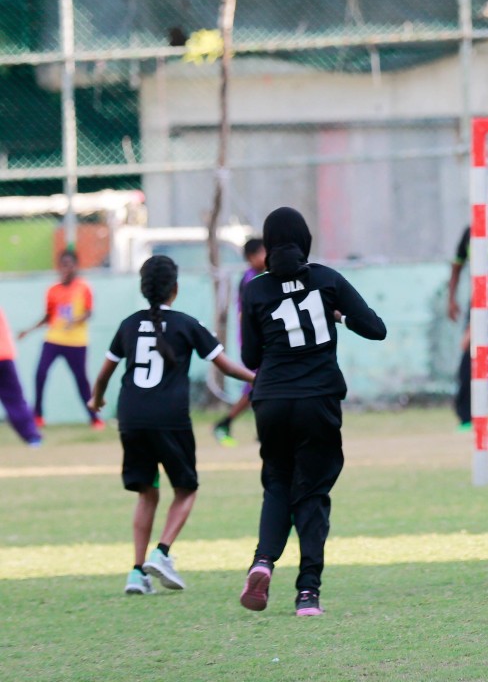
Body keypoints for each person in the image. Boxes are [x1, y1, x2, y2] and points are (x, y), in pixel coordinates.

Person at [237, 207, 387, 617]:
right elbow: (376, 328)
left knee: (278, 483)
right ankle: (307, 593)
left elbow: (250, 356)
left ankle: (263, 561)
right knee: (313, 494)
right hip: (317, 400)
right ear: (306, 241)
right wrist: (337, 314)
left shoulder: (255, 290)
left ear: (267, 244)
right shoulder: (326, 280)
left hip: (270, 400)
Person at [87, 255, 255, 595]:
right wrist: (261, 378)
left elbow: (105, 373)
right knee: (186, 488)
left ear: (143, 288)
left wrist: (97, 400)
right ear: (174, 289)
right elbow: (227, 367)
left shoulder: (129, 324)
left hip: (131, 417)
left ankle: (136, 573)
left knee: (147, 493)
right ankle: (161, 553)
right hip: (169, 420)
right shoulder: (187, 324)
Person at [19, 249, 100, 430]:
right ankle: (38, 415)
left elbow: (88, 312)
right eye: (62, 264)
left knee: (81, 380)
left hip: (76, 341)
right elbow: (48, 316)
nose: (65, 268)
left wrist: (75, 321)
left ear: (75, 266)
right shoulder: (52, 290)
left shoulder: (83, 287)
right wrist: (28, 330)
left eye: (69, 264)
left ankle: (94, 418)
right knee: (40, 374)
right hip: (54, 339)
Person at [213, 238, 266, 446]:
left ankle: (256, 429)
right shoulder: (250, 279)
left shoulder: (259, 276)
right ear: (251, 257)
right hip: (255, 342)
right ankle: (225, 423)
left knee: (258, 387)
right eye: (263, 253)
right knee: (257, 385)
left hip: (261, 339)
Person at [0, 307, 42, 446]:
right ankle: (32, 437)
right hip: (6, 356)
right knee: (15, 399)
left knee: (14, 398)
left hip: (4, 356)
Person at [448, 226, 472, 431]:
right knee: (469, 359)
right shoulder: (470, 233)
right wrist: (451, 299)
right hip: (480, 304)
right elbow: (457, 265)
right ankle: (466, 416)